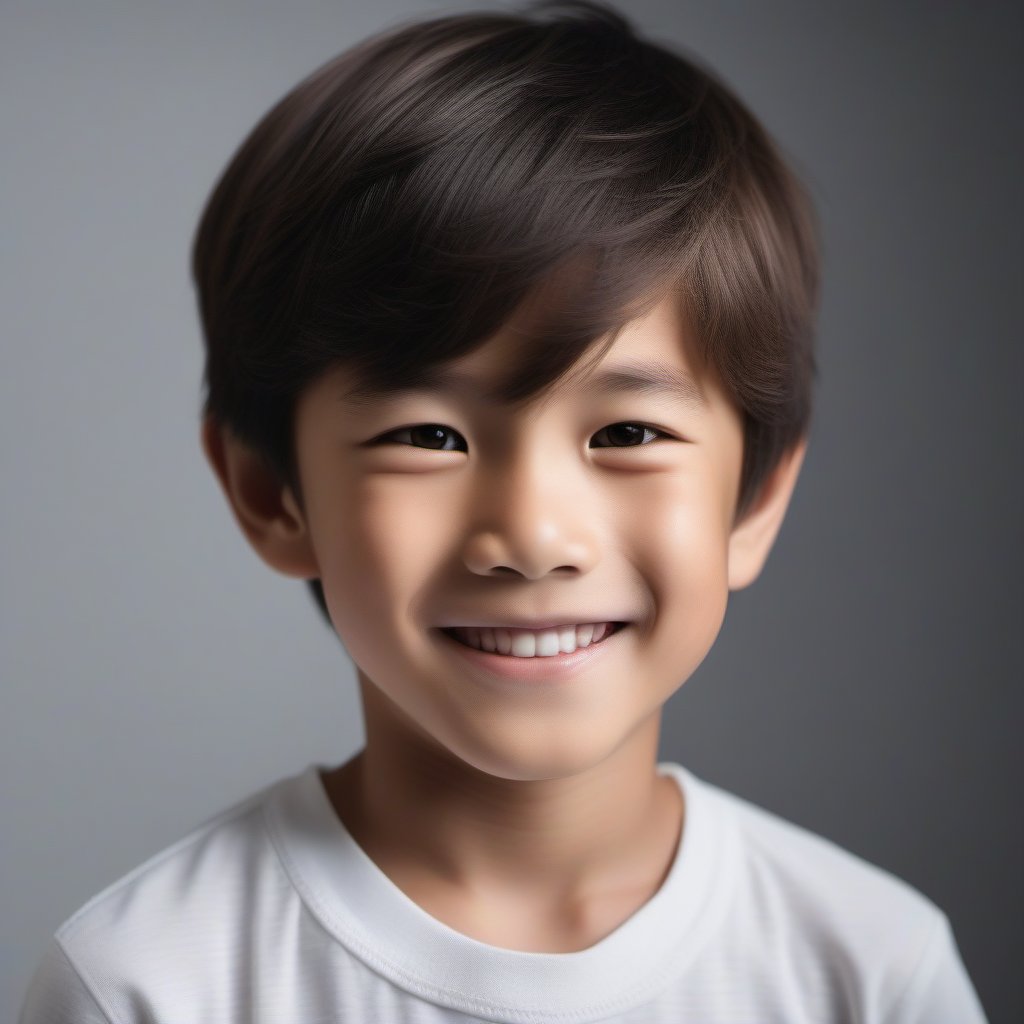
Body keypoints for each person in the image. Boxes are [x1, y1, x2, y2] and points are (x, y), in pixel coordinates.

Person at [19, 2, 988, 1021]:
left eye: (626, 435)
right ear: (271, 492)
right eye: (428, 437)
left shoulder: (870, 967)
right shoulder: (148, 983)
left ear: (755, 499)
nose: (531, 537)